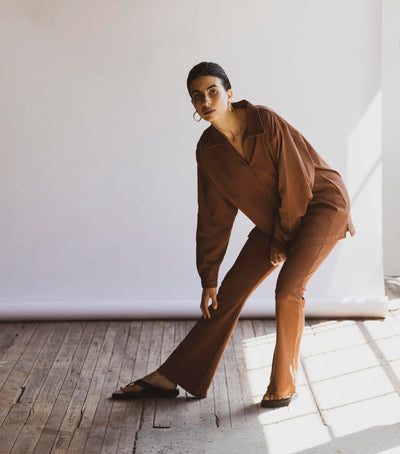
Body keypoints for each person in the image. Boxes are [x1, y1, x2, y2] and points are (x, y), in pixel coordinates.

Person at [112, 62, 356, 408]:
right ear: (193, 105)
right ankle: (172, 377)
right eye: (197, 96)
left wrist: (281, 240)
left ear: (229, 94)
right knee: (226, 295)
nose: (206, 101)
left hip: (321, 205)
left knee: (289, 289)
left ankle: (283, 384)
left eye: (213, 92)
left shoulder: (265, 122)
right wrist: (208, 277)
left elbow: (297, 181)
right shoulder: (208, 151)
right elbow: (214, 217)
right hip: (278, 220)